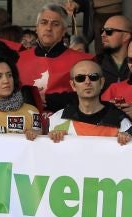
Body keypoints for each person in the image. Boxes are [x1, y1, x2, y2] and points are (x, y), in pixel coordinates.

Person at [17, 3, 93, 133]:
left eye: (55, 24)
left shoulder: (83, 61)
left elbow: (91, 96)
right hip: (25, 129)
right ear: (37, 27)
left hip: (67, 129)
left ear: (64, 30)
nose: (48, 28)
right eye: (44, 22)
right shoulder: (17, 59)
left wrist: (48, 99)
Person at [43, 59, 132, 143]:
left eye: (93, 77)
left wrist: (127, 140)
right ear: (73, 85)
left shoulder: (121, 122)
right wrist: (50, 139)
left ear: (101, 82)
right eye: (80, 78)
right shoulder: (56, 120)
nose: (87, 82)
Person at [64, 0, 132, 54]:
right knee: (104, 60)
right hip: (98, 19)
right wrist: (77, 3)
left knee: (131, 56)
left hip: (128, 17)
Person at [96, 15, 132, 91]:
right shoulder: (95, 63)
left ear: (126, 36)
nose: (103, 35)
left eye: (109, 31)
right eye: (102, 31)